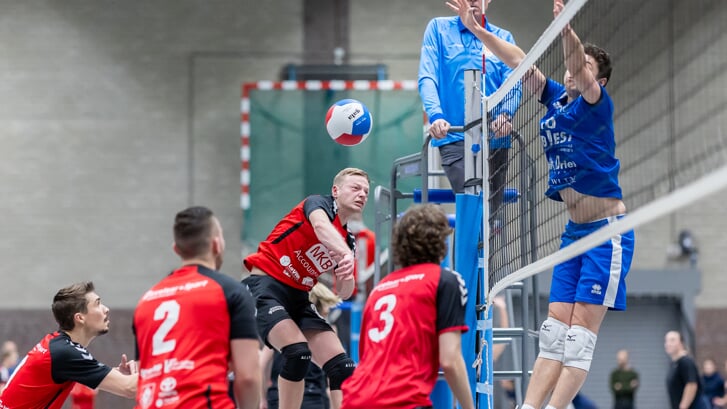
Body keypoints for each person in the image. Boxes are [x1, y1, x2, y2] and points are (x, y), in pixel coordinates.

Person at [447, 0, 635, 408]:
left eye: (583, 66)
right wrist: (478, 32)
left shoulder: (596, 104)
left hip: (607, 233)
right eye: (573, 63)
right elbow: (520, 63)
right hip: (573, 232)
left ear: (597, 78)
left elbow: (579, 67)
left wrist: (565, 27)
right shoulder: (555, 100)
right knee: (553, 333)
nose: (573, 68)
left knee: (579, 337)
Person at [243, 167, 369, 409]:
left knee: (342, 367)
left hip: (298, 298)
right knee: (297, 353)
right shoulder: (317, 204)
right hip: (266, 286)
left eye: (366, 191)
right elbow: (321, 228)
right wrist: (344, 254)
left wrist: (346, 274)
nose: (362, 194)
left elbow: (343, 292)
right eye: (355, 188)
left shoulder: (348, 240)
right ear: (336, 191)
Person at [341, 204, 474, 409]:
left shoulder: (380, 288)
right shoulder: (445, 281)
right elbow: (449, 360)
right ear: (441, 242)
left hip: (354, 399)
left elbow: (366, 356)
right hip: (402, 401)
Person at [132, 206, 260, 409]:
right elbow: (248, 377)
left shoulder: (146, 301)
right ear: (216, 244)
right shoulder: (231, 291)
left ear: (176, 249)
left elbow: (143, 375)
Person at [418, 0, 521, 221]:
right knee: (472, 208)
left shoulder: (503, 38)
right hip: (453, 136)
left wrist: (505, 114)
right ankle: (468, 254)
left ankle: (485, 255)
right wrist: (436, 116)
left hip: (496, 138)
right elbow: (427, 77)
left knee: (490, 217)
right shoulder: (438, 29)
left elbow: (513, 82)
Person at [0, 282, 137, 408]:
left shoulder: (57, 345)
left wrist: (116, 375)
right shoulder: (66, 353)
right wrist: (154, 366)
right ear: (80, 318)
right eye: (97, 304)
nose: (106, 309)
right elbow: (129, 389)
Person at [261, 283, 342, 409]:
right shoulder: (328, 332)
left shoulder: (281, 329)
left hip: (280, 395)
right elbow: (336, 371)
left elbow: (261, 364)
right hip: (312, 396)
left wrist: (262, 397)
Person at [664, 330, 709, 409]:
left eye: (672, 340)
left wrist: (683, 406)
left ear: (681, 343)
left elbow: (691, 385)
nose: (668, 344)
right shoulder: (674, 364)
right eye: (666, 341)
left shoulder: (686, 362)